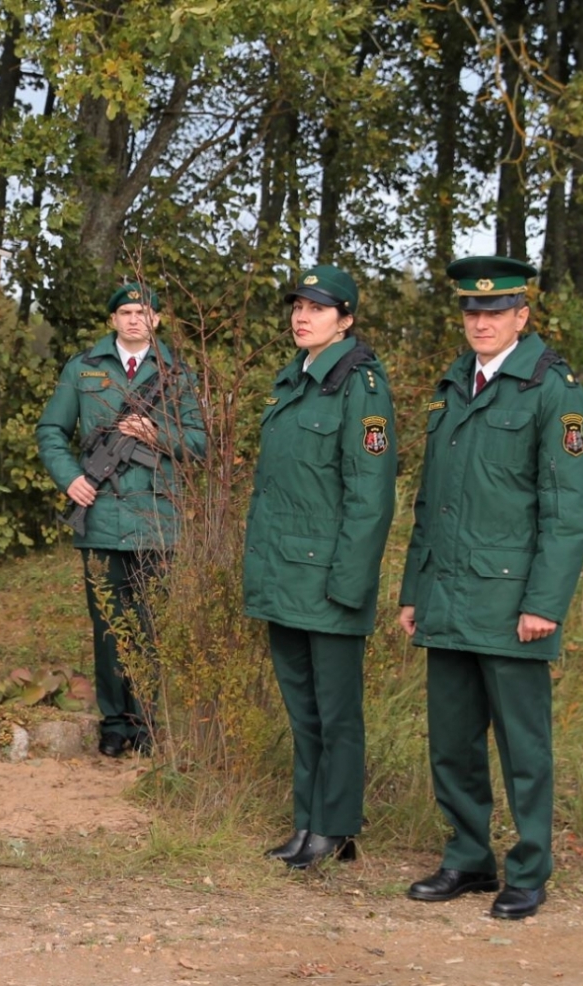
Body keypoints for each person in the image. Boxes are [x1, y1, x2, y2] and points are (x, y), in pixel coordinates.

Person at [398, 255, 583, 920]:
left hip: (513, 602)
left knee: (523, 746)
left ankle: (530, 867)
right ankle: (467, 857)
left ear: (522, 315)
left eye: (495, 311)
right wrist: (412, 589)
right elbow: (431, 504)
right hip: (448, 596)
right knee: (452, 739)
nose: (480, 322)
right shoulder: (453, 384)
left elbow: (567, 511)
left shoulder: (551, 389)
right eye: (471, 311)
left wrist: (545, 601)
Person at [242, 266, 396, 869]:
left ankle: (336, 827)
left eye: (318, 308)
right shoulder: (292, 382)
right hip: (283, 577)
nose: (301, 316)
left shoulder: (363, 388)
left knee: (337, 713)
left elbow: (370, 495)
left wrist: (351, 583)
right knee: (302, 710)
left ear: (347, 319)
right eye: (297, 306)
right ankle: (308, 823)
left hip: (331, 581)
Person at [36, 283, 208, 758]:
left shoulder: (177, 374)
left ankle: (147, 722)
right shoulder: (83, 368)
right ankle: (115, 724)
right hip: (102, 517)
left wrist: (158, 434)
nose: (134, 319)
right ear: (113, 319)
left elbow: (202, 443)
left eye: (143, 311)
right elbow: (51, 430)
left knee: (152, 624)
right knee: (109, 625)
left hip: (157, 519)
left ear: (156, 320)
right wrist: (70, 478)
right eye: (126, 311)